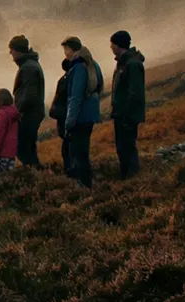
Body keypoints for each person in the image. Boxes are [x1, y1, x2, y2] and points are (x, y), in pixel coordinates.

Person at [60, 37, 105, 189]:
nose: (65, 53)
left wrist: (69, 121)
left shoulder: (78, 67)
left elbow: (75, 97)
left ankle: (84, 184)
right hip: (91, 113)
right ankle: (87, 181)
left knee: (78, 152)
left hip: (80, 116)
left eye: (66, 50)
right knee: (83, 150)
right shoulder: (93, 64)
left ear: (72, 50)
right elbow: (100, 87)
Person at [109, 30, 147, 180]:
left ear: (119, 45)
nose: (111, 47)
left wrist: (126, 115)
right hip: (121, 114)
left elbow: (135, 93)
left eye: (112, 44)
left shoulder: (131, 64)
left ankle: (133, 179)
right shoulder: (124, 63)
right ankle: (126, 176)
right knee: (122, 147)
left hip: (127, 115)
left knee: (127, 147)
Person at [9, 36, 47, 169]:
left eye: (12, 50)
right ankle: (37, 175)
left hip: (28, 114)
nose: (10, 53)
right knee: (29, 147)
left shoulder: (28, 68)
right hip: (32, 113)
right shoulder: (30, 64)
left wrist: (16, 112)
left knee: (23, 149)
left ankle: (33, 174)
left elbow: (28, 96)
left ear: (18, 51)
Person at [49, 56, 72, 171]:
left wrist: (54, 111)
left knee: (67, 149)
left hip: (65, 118)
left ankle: (71, 172)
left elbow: (59, 99)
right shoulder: (72, 79)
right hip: (67, 116)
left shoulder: (64, 80)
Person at [0, 88, 20, 173]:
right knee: (9, 176)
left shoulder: (1, 115)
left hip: (2, 153)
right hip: (11, 152)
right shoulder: (14, 112)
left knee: (0, 178)